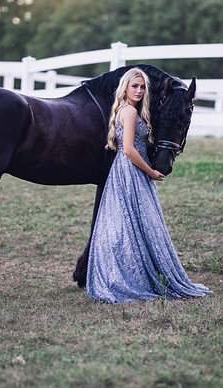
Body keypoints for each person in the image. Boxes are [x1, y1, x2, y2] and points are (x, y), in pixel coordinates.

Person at [86, 68, 211, 303]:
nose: (139, 90)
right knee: (133, 221)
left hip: (127, 171)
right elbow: (129, 150)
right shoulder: (130, 112)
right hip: (132, 171)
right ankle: (129, 275)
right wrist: (151, 171)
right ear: (125, 87)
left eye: (142, 87)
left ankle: (134, 270)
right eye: (135, 86)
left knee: (132, 222)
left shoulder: (128, 110)